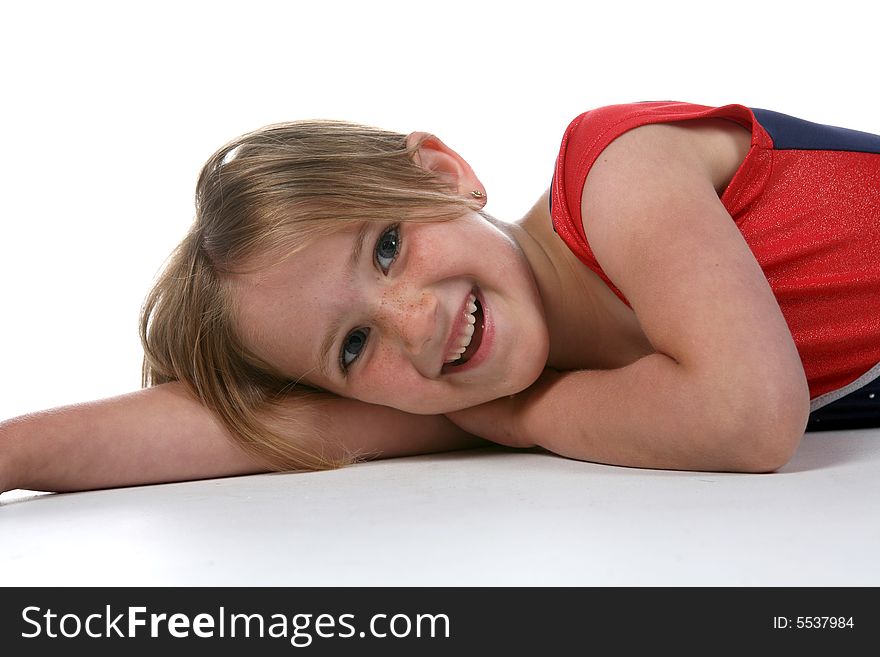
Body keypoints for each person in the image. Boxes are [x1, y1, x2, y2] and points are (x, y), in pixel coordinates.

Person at [2, 100, 879, 494]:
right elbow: (238, 427)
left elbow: (749, 418)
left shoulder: (619, 172)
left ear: (444, 172)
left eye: (386, 246)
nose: (416, 323)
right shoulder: (474, 381)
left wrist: (535, 418)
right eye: (351, 347)